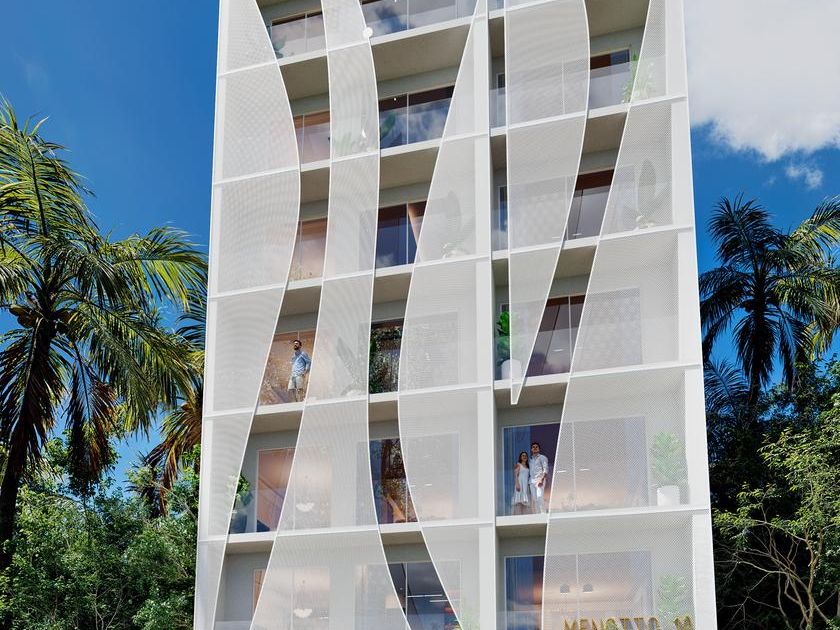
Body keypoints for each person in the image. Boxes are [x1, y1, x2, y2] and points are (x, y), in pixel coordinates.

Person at [529, 442, 550, 513]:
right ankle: (538, 515)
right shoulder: (530, 460)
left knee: (539, 497)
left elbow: (545, 469)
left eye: (536, 447)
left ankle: (543, 514)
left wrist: (542, 479)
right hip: (532, 481)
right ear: (531, 449)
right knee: (535, 499)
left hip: (540, 479)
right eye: (533, 447)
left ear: (539, 449)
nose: (535, 448)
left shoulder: (542, 457)